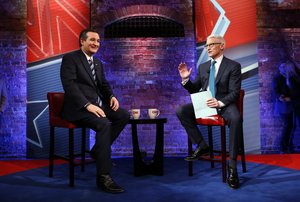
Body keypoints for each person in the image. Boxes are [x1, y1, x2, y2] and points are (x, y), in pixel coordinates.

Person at [60, 28, 130, 193]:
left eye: (98, 41)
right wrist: (87, 105)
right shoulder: (70, 58)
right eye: (92, 40)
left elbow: (103, 84)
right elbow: (69, 86)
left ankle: (97, 151)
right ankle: (104, 177)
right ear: (82, 41)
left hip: (96, 106)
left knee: (123, 115)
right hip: (78, 108)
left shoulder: (97, 63)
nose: (95, 43)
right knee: (104, 124)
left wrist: (112, 96)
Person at [176, 34, 242, 189]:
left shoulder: (233, 66)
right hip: (205, 104)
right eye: (206, 45)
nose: (208, 48)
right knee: (181, 111)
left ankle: (232, 168)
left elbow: (235, 92)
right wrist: (186, 80)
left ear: (222, 45)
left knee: (236, 118)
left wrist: (219, 102)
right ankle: (201, 145)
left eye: (212, 44)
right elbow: (194, 90)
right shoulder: (203, 66)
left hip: (224, 104)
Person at [272, 60, 300, 154]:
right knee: (288, 125)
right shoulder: (278, 78)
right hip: (284, 106)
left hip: (295, 104)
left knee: (295, 125)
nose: (284, 69)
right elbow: (276, 91)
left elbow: (296, 90)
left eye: (286, 67)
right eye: (283, 67)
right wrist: (281, 97)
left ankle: (291, 145)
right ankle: (283, 148)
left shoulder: (294, 77)